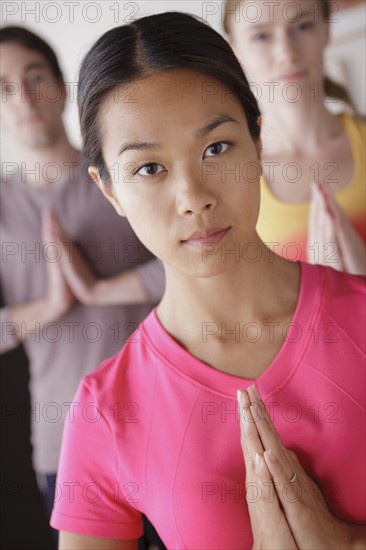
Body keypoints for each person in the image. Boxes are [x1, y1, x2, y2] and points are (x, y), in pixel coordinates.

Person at [49, 12, 365, 549]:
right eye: (149, 168)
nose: (194, 196)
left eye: (216, 148)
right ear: (109, 190)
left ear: (256, 141)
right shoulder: (105, 408)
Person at [0, 26, 165, 549]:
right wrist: (51, 304)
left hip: (166, 423)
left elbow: (197, 263)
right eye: (3, 87)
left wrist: (101, 289)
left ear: (61, 86)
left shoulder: (123, 173)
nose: (23, 97)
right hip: (65, 446)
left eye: (34, 78)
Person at [224, 0, 366, 275]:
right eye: (261, 36)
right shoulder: (229, 180)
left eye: (303, 26)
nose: (287, 53)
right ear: (235, 50)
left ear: (325, 30)